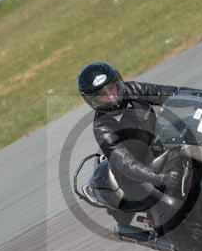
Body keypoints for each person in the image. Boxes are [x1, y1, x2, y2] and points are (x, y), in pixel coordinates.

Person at [77, 61, 183, 225]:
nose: (111, 96)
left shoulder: (133, 90)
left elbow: (171, 93)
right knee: (171, 209)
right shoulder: (102, 128)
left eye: (111, 88)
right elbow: (127, 164)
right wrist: (159, 178)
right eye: (102, 95)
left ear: (117, 82)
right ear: (92, 100)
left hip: (158, 148)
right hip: (135, 175)